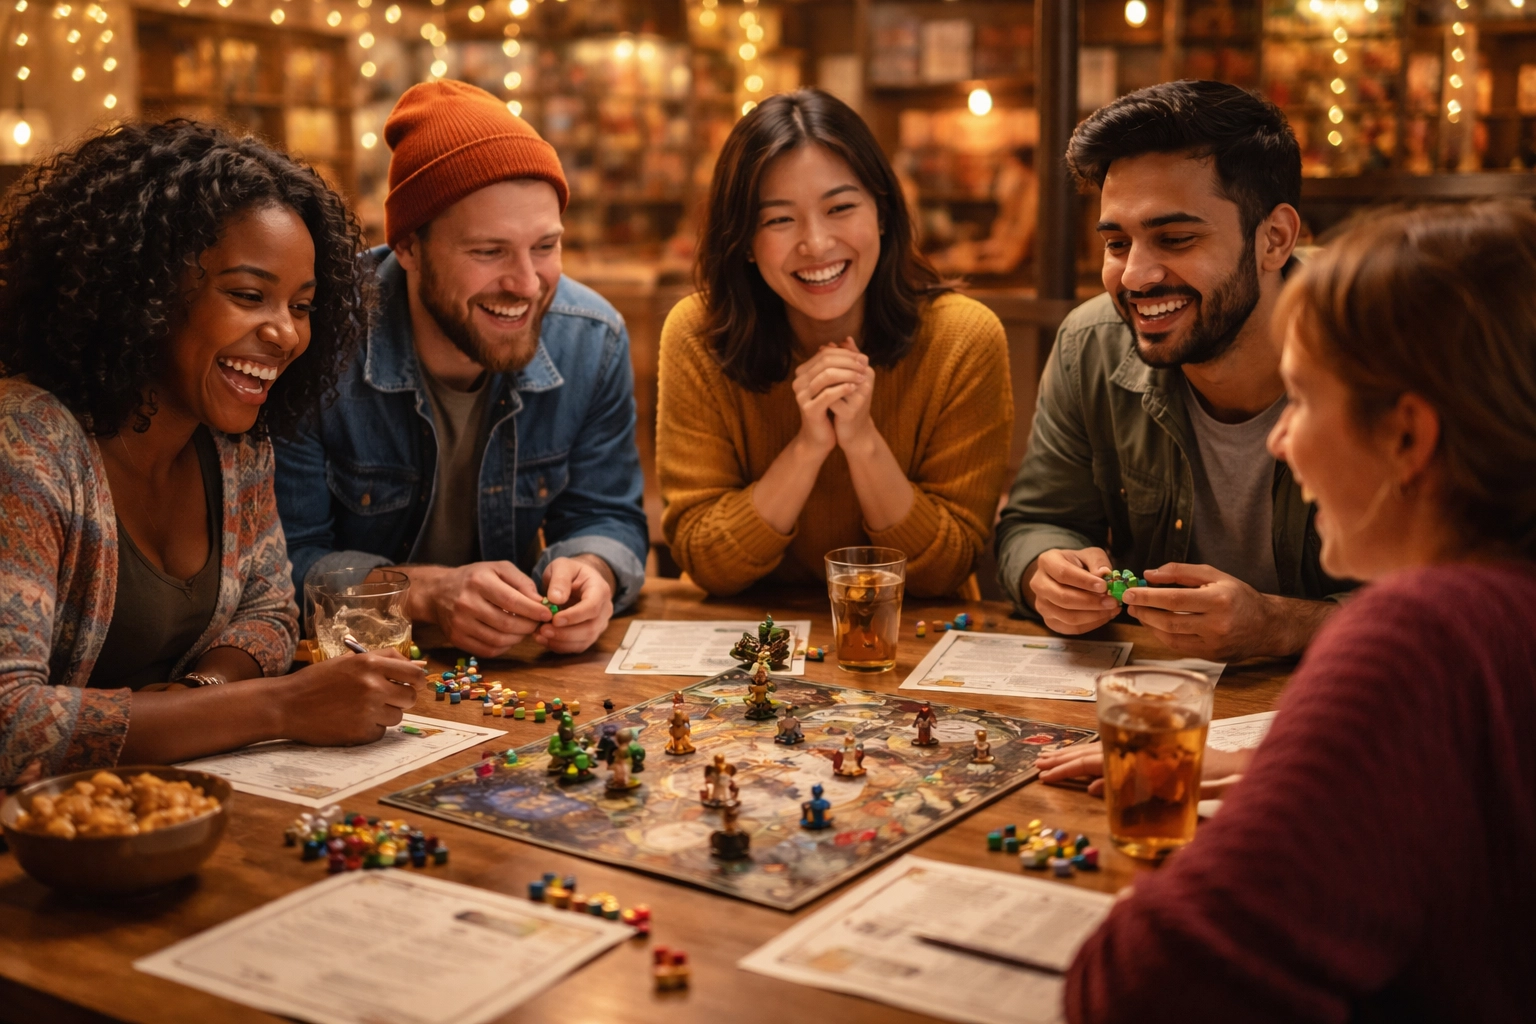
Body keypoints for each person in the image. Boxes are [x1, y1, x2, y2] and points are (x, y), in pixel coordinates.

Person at [1066, 203, 1536, 1020]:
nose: (1280, 441)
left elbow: (1138, 988)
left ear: (1406, 439)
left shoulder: (1420, 631)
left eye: (1304, 399)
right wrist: (1297, 772)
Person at [0, 120, 424, 787]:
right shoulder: (25, 446)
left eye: (303, 305)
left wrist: (204, 694)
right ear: (143, 288)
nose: (286, 333)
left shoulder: (237, 445)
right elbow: (10, 722)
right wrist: (275, 704)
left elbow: (272, 613)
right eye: (248, 296)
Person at [274, 81, 648, 657]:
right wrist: (424, 594)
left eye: (545, 247)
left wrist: (593, 570)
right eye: (488, 251)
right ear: (409, 248)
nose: (526, 284)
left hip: (514, 677)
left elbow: (608, 515)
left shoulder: (591, 338)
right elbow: (282, 565)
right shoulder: (316, 340)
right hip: (348, 680)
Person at [995, 81, 1350, 661]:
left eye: (1176, 238)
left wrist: (1283, 625)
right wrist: (1047, 570)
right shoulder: (1092, 346)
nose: (1135, 276)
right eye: (1116, 243)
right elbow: (1037, 519)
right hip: (1156, 704)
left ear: (1275, 239)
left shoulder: (1388, 348)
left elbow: (1468, 598)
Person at [657, 88, 1013, 597]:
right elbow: (707, 560)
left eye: (840, 207)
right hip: (752, 645)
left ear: (884, 214)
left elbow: (944, 571)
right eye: (779, 219)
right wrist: (808, 447)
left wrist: (862, 439)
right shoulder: (699, 334)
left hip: (913, 638)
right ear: (746, 242)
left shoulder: (962, 338)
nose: (817, 243)